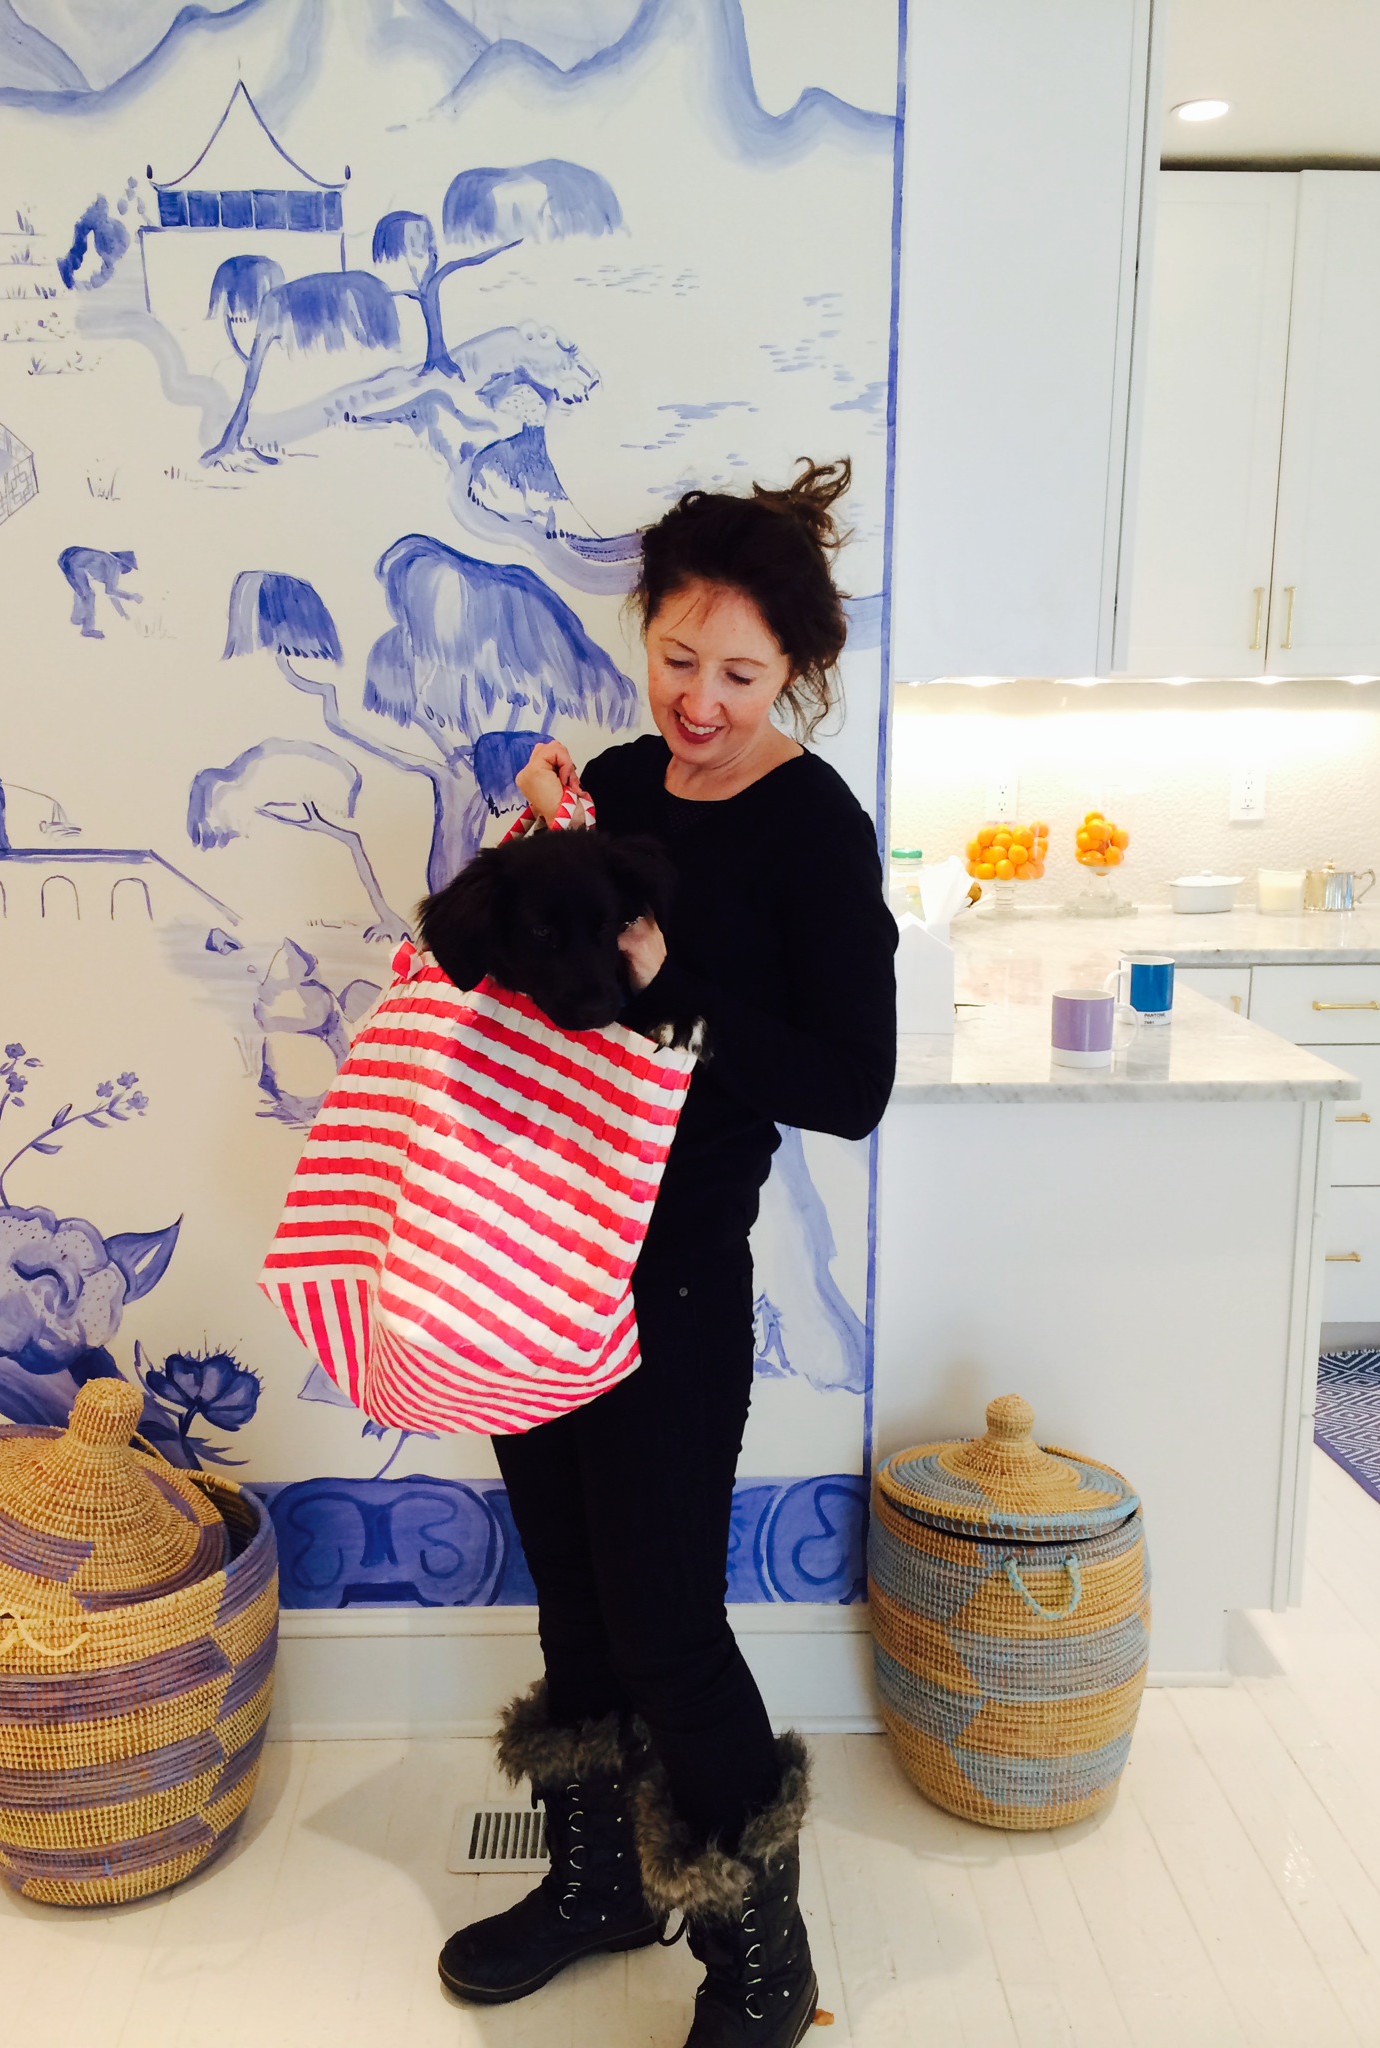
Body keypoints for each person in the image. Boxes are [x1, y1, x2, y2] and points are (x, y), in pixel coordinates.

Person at [437, 459, 899, 2047]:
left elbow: (850, 1085)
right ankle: (599, 1886)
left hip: (675, 1280)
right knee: (572, 1602)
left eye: (741, 676)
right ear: (644, 631)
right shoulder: (624, 785)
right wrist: (540, 841)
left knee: (668, 1631)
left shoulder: (812, 832)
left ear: (799, 676)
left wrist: (674, 992)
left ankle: (765, 1959)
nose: (698, 702)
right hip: (532, 1255)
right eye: (676, 657)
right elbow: (540, 982)